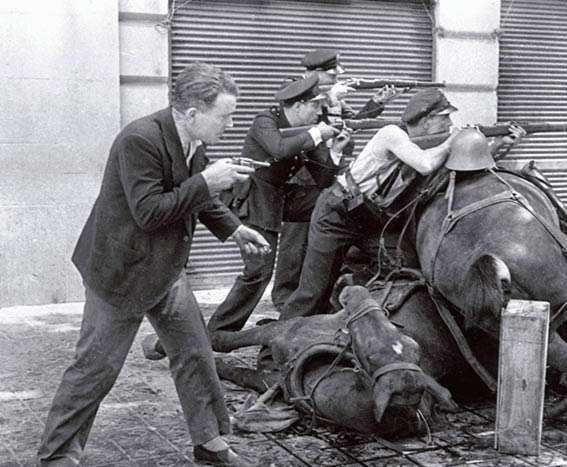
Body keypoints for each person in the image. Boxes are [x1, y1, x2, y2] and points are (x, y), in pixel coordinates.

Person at [37, 62, 268, 467]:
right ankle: (57, 455)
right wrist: (208, 181)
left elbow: (199, 197)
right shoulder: (139, 139)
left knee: (195, 353)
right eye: (225, 116)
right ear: (193, 113)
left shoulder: (191, 140)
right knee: (96, 368)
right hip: (120, 271)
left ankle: (210, 443)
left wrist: (235, 229)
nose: (230, 125)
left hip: (165, 270)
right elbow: (148, 211)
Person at [281, 88, 524, 319]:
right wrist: (452, 141)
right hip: (337, 213)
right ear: (428, 119)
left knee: (405, 268)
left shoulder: (430, 147)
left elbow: (461, 171)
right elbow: (426, 165)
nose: (450, 125)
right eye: (445, 119)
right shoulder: (392, 134)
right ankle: (271, 356)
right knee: (312, 291)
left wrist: (498, 145)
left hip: (371, 220)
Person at [201, 75, 351, 350]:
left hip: (281, 197)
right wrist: (318, 133)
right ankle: (219, 330)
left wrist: (336, 153)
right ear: (298, 105)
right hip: (256, 199)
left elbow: (321, 178)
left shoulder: (307, 130)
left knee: (327, 199)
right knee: (258, 272)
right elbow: (278, 149)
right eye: (315, 106)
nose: (320, 113)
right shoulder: (265, 122)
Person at [271, 48, 398, 308]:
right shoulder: (294, 90)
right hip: (303, 176)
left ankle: (316, 299)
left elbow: (351, 122)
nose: (338, 75)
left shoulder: (333, 96)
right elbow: (290, 131)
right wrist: (329, 98)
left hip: (330, 172)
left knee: (320, 243)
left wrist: (376, 102)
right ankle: (285, 299)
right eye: (331, 73)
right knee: (296, 244)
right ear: (313, 73)